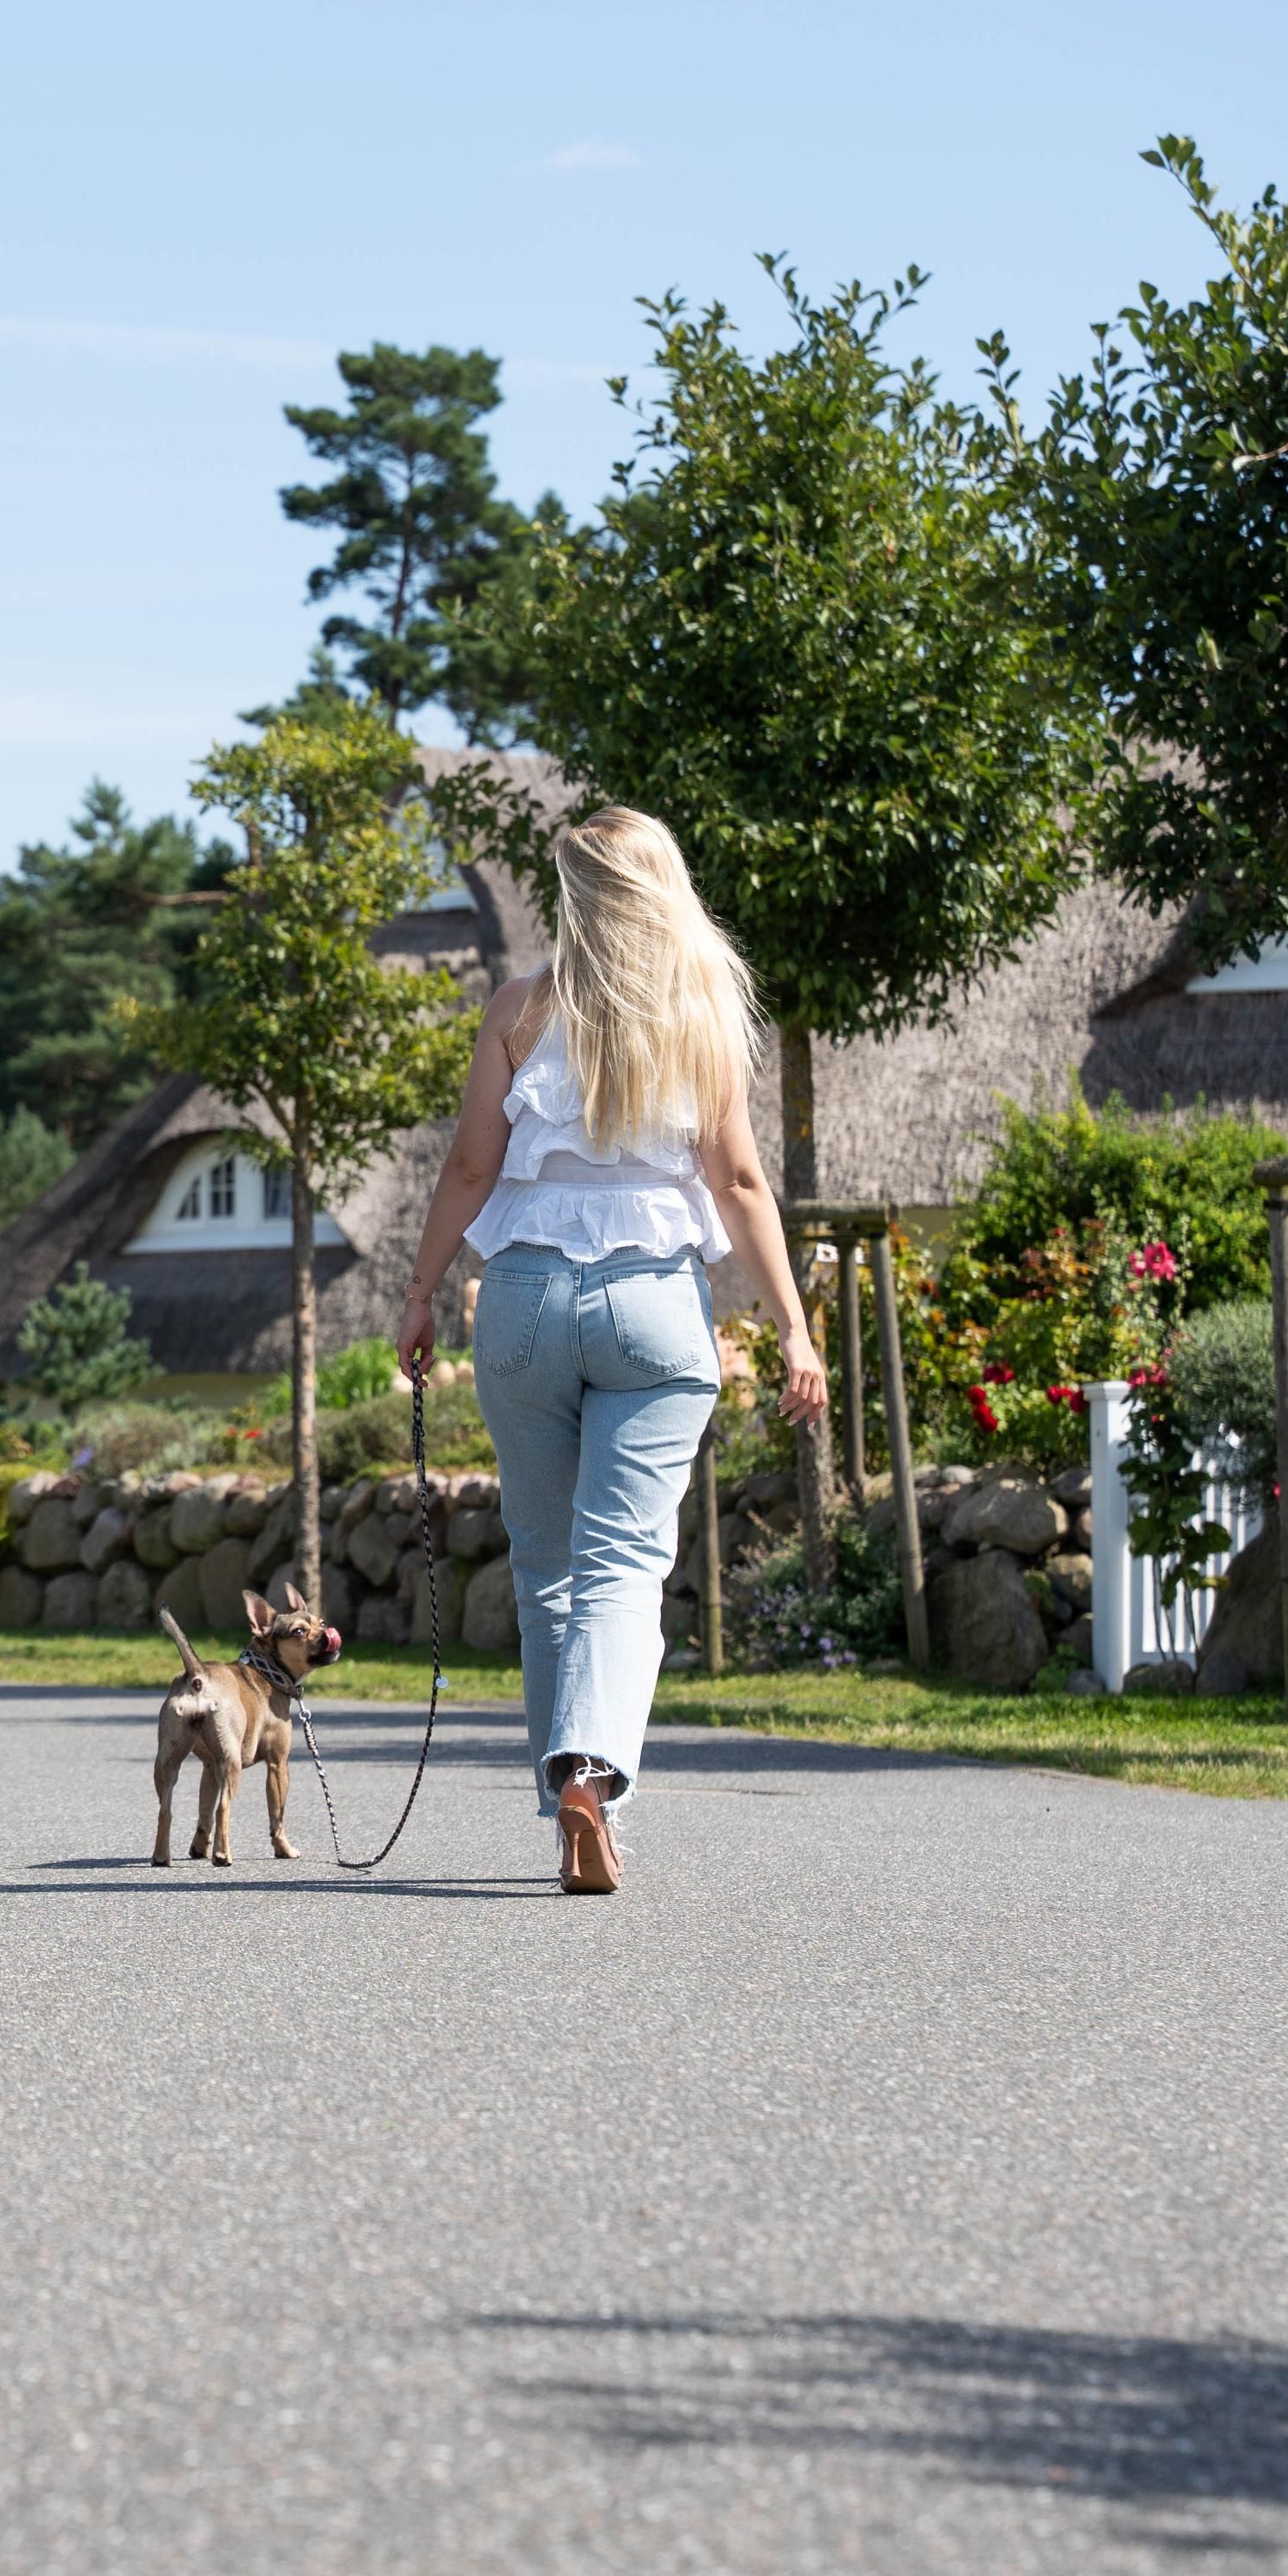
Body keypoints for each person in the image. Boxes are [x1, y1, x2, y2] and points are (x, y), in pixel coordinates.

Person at [393, 806, 824, 1895]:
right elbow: (740, 1181)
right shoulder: (701, 1012)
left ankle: (569, 1809)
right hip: (653, 1302)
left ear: (573, 897)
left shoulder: (517, 1009)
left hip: (525, 1297)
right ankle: (592, 1775)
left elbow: (468, 1169)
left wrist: (420, 1291)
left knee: (547, 1565)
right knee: (625, 1561)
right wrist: (793, 1325)